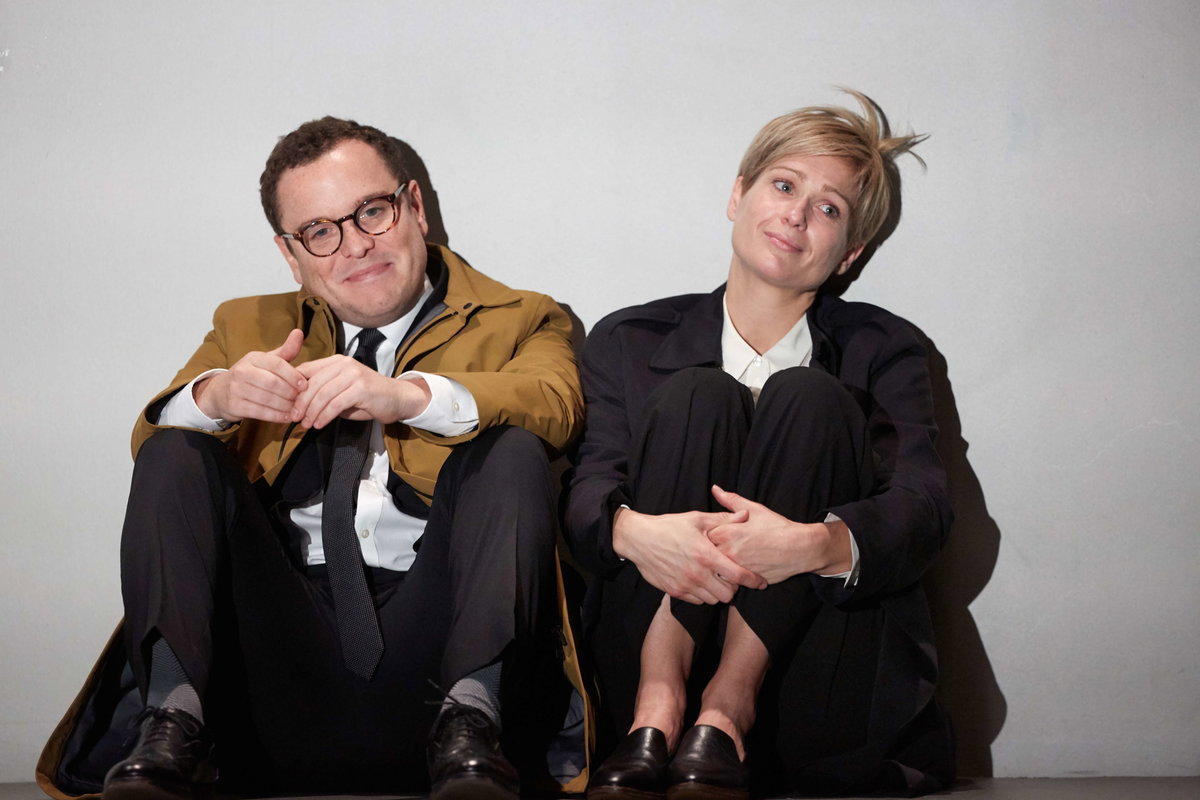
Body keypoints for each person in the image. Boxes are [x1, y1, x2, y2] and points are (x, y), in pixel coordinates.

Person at [46, 117, 586, 800]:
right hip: (274, 667)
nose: (355, 245)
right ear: (290, 252)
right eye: (320, 231)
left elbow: (556, 404)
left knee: (510, 450)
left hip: (440, 658)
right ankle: (171, 729)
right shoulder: (246, 324)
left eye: (372, 211)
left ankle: (474, 724)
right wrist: (217, 396)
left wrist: (406, 396)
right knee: (175, 449)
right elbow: (151, 440)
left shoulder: (523, 315)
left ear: (415, 207)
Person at [565, 91, 954, 799]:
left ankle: (729, 709)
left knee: (807, 396)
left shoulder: (884, 348)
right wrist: (636, 532)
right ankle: (660, 708)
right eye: (783, 186)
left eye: (828, 208)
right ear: (738, 195)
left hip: (807, 678)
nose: (797, 215)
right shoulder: (629, 339)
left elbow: (923, 507)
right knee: (698, 395)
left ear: (849, 253)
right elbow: (587, 488)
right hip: (641, 658)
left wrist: (814, 546)